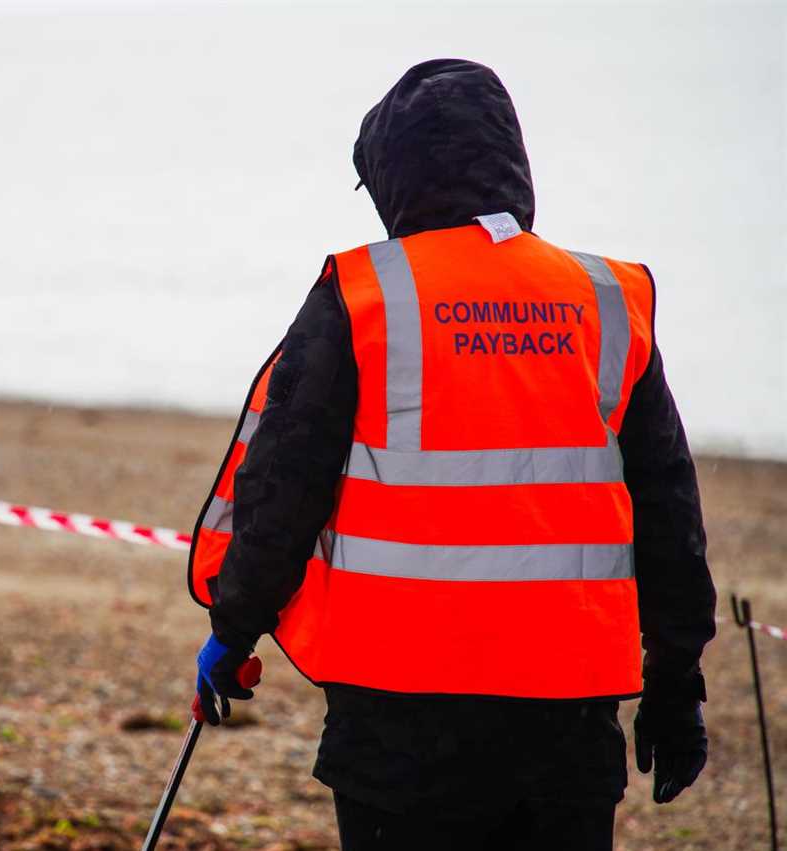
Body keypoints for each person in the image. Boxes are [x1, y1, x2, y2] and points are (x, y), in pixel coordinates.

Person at [187, 59, 716, 851]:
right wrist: (677, 676)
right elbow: (669, 502)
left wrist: (235, 627)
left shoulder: (365, 291)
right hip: (567, 718)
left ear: (397, 174)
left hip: (397, 717)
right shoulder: (609, 297)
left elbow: (282, 482)